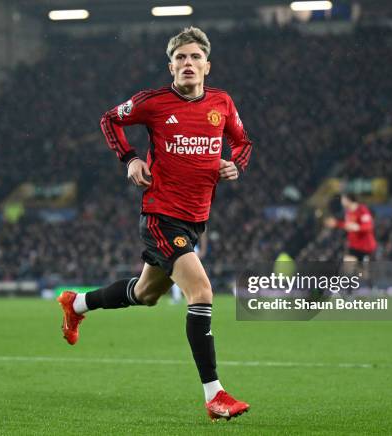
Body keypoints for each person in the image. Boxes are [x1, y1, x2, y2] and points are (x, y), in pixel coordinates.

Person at [57, 27, 252, 421]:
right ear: (171, 67)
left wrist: (235, 164)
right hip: (161, 215)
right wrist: (129, 159)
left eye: (195, 57)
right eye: (180, 58)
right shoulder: (154, 102)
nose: (188, 63)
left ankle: (75, 303)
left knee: (146, 294)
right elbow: (109, 120)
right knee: (201, 291)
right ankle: (215, 395)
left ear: (207, 66)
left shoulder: (223, 104)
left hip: (196, 219)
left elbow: (244, 143)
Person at [324, 193, 377, 272]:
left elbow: (369, 226)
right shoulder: (348, 212)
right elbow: (348, 226)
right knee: (347, 269)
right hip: (354, 246)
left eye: (343, 199)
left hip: (366, 247)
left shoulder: (362, 209)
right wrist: (337, 224)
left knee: (364, 273)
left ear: (348, 200)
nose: (341, 201)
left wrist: (358, 227)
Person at [170, 231, 208, 304]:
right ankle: (196, 296)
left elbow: (203, 232)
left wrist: (203, 249)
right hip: (184, 246)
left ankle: (179, 297)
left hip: (187, 246)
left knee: (177, 272)